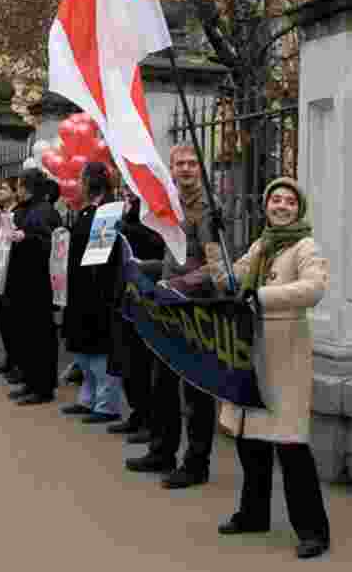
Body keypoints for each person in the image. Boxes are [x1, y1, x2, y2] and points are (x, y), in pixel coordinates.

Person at [215, 178, 331, 560]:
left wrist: (259, 296)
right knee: (251, 444)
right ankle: (253, 514)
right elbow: (230, 279)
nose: (281, 206)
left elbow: (313, 289)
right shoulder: (261, 244)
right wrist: (217, 251)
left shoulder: (305, 246)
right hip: (253, 355)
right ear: (266, 206)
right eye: (275, 200)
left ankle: (313, 531)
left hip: (285, 358)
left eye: (289, 202)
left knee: (291, 447)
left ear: (299, 209)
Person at [126, 143, 226, 489]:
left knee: (196, 390)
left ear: (200, 167)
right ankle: (162, 451)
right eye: (179, 164)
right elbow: (175, 257)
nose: (185, 169)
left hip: (197, 309)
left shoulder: (208, 209)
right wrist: (149, 268)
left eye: (191, 163)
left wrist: (177, 284)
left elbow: (215, 267)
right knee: (163, 383)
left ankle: (196, 464)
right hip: (170, 305)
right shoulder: (171, 205)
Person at [59, 162, 123, 422]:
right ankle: (88, 400)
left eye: (81, 179)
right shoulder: (87, 212)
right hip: (80, 291)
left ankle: (106, 405)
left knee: (99, 353)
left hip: (97, 293)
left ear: (89, 183)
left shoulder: (107, 211)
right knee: (84, 351)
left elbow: (101, 260)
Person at [107, 190, 165, 444]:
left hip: (144, 298)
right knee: (127, 361)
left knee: (141, 363)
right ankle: (136, 413)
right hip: (123, 296)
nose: (126, 201)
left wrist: (128, 229)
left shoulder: (152, 223)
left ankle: (149, 419)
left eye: (131, 198)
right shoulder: (124, 221)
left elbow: (157, 247)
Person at [5, 170, 59, 405]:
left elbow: (52, 245)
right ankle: (29, 380)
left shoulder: (45, 210)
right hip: (20, 282)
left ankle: (42, 386)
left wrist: (24, 238)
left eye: (20, 185)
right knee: (24, 334)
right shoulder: (23, 209)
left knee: (39, 336)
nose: (18, 190)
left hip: (38, 284)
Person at [0, 177, 24, 382]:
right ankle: (9, 359)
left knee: (14, 322)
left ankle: (17, 363)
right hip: (0, 269)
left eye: (4, 188)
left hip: (14, 274)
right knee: (3, 319)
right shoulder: (2, 213)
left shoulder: (18, 214)